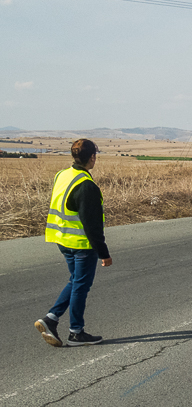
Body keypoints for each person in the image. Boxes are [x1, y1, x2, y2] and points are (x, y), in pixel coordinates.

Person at [35, 139, 111, 347]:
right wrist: (104, 253)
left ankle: (51, 319)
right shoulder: (86, 185)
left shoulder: (63, 175)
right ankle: (76, 332)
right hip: (81, 244)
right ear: (92, 157)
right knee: (81, 286)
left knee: (76, 281)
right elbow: (92, 224)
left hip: (61, 239)